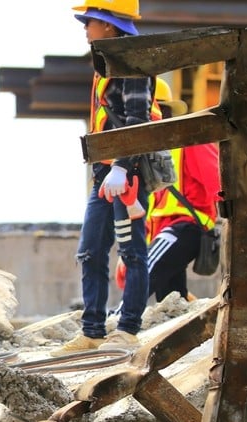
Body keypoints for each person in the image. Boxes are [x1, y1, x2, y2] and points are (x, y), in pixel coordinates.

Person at [52, 1, 160, 357]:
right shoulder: (107, 63)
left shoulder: (131, 64)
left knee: (131, 251)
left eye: (90, 23)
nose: (86, 29)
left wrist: (123, 166)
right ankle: (93, 330)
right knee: (91, 250)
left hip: (125, 175)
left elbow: (137, 120)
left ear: (109, 27)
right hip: (105, 173)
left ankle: (127, 329)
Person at [114, 79, 221, 303]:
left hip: (184, 228)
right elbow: (146, 208)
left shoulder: (191, 142)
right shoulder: (145, 158)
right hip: (166, 233)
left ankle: (118, 325)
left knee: (138, 283)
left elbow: (218, 184)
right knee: (172, 302)